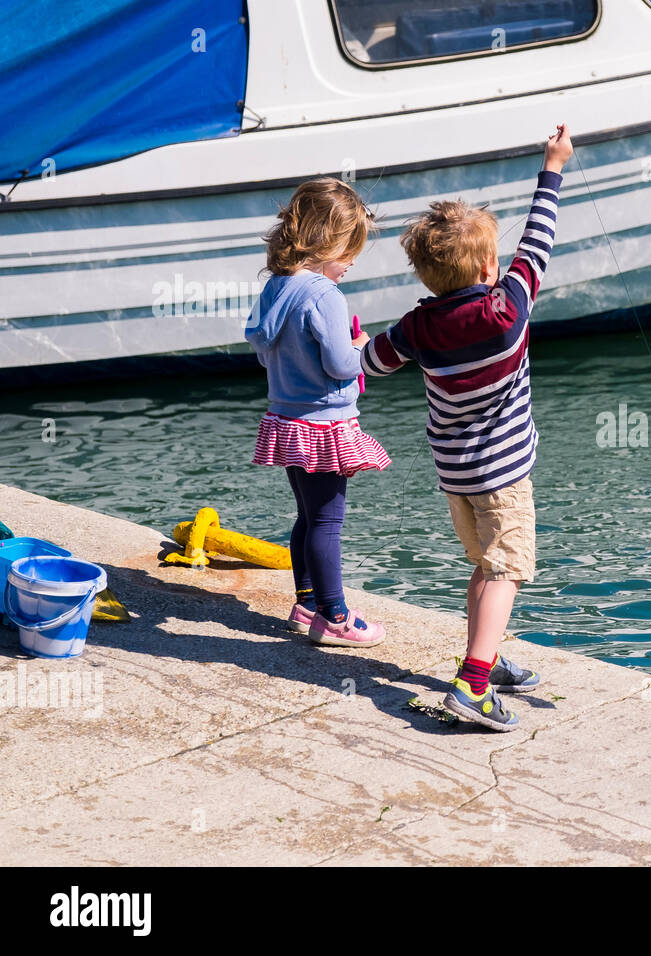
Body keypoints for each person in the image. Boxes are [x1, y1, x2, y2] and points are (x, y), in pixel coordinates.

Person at [361, 124, 573, 730]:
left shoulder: (416, 326)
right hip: (504, 477)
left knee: (483, 564)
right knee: (505, 570)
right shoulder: (507, 308)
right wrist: (552, 168)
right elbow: (539, 240)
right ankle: (473, 688)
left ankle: (488, 656)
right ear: (489, 264)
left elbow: (371, 362)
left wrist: (348, 343)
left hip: (455, 476)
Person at [245, 178, 389, 647]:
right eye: (349, 252)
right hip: (325, 423)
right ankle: (336, 616)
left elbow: (270, 354)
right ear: (327, 242)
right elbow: (339, 364)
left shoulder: (276, 288)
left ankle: (306, 602)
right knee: (328, 522)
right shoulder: (325, 295)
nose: (350, 265)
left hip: (286, 420)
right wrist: (361, 347)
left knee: (308, 516)